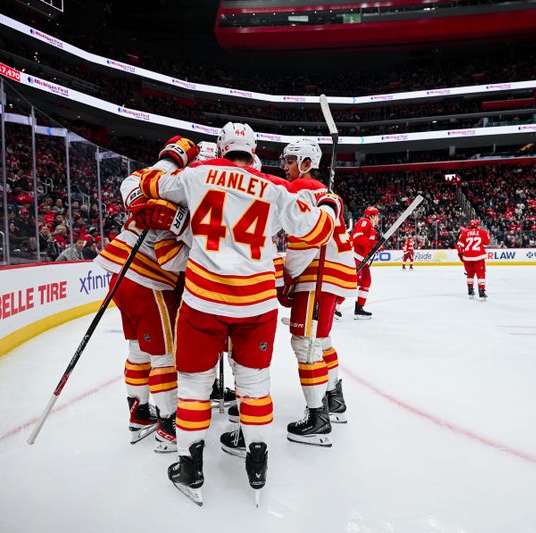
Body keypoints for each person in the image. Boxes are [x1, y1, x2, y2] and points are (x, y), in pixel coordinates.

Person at [134, 124, 338, 505]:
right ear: (254, 150)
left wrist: (167, 164)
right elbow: (318, 232)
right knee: (254, 386)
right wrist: (329, 203)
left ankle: (190, 469)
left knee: (194, 388)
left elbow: (148, 184)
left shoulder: (195, 175)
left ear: (223, 147)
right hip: (256, 304)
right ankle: (256, 464)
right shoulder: (276, 188)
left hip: (203, 301)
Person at [93, 156, 183, 453]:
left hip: (121, 275)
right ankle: (169, 425)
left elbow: (132, 183)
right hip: (148, 278)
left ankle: (139, 413)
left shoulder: (162, 177)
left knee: (138, 350)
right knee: (163, 355)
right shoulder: (184, 183)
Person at [276, 138, 355, 445]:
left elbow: (304, 240)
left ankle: (318, 418)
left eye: (291, 161)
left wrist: (287, 278)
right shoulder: (323, 191)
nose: (285, 167)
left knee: (305, 344)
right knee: (321, 340)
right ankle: (334, 400)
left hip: (315, 275)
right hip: (332, 275)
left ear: (307, 163)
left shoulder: (300, 189)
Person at [351, 206, 379, 319]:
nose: (378, 218)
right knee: (351, 282)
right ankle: (335, 306)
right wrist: (371, 244)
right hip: (355, 258)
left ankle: (359, 308)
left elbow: (369, 244)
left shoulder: (372, 228)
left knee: (366, 281)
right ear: (372, 216)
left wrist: (376, 247)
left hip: (363, 259)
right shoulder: (365, 222)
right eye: (377, 216)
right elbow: (357, 237)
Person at [456, 219, 490, 300]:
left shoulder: (464, 233)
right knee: (481, 274)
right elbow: (486, 243)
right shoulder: (483, 232)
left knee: (470, 274)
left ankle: (470, 290)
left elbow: (459, 246)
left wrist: (461, 256)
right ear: (478, 225)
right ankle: (481, 291)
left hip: (467, 257)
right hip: (479, 256)